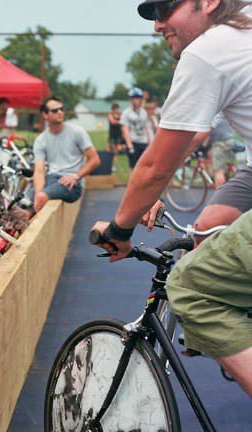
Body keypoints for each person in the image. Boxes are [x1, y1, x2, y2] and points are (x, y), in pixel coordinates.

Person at [92, 0, 252, 398]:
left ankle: (222, 319)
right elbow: (190, 133)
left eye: (165, 9)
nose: (158, 24)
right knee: (205, 226)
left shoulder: (210, 49)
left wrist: (119, 228)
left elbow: (154, 167)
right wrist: (151, 194)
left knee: (191, 285)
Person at [29, 95, 100, 214]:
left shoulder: (77, 132)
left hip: (72, 184)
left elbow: (95, 160)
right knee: (22, 208)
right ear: (45, 115)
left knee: (41, 197)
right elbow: (39, 172)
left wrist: (76, 177)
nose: (60, 112)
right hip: (51, 179)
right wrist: (36, 195)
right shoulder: (41, 140)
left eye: (61, 109)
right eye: (55, 110)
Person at [120, 87, 150, 169]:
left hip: (143, 141)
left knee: (145, 168)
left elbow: (146, 128)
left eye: (138, 98)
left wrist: (149, 142)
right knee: (134, 168)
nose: (137, 100)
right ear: (130, 99)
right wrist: (130, 146)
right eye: (134, 98)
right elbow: (125, 130)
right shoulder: (126, 113)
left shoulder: (143, 112)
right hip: (134, 142)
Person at [208, 118, 237, 186]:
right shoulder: (220, 115)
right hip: (231, 140)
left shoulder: (211, 117)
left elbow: (206, 135)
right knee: (210, 153)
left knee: (218, 171)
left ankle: (221, 194)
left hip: (222, 143)